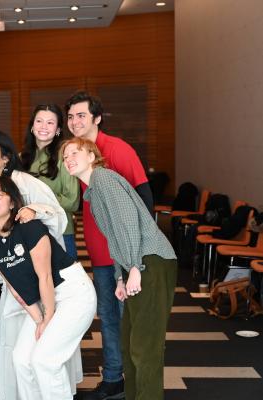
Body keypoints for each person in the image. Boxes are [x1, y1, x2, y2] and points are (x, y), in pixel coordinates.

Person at [62, 137, 177, 400]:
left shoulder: (103, 179)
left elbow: (128, 224)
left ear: (92, 156)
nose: (68, 158)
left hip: (151, 260)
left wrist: (135, 266)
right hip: (136, 263)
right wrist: (119, 278)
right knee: (129, 343)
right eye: (65, 156)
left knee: (144, 345)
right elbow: (114, 237)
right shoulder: (93, 190)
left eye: (74, 152)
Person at [0, 131, 80, 399]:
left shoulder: (23, 182)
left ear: (6, 156)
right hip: (16, 281)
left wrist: (35, 212)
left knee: (43, 349)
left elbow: (56, 217)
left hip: (41, 276)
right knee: (20, 351)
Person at [65, 91, 154, 400]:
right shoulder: (73, 154)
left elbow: (145, 198)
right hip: (100, 256)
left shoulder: (117, 150)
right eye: (71, 116)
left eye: (81, 115)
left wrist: (137, 258)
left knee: (131, 321)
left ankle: (138, 382)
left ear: (97, 118)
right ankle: (114, 378)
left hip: (126, 256)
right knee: (109, 318)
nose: (74, 121)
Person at [0, 176, 96, 400]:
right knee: (21, 359)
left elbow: (45, 278)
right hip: (43, 300)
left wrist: (47, 319)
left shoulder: (30, 228)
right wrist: (38, 319)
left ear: (12, 203)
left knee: (45, 360)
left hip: (72, 292)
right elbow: (15, 287)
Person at [20, 104, 80, 259]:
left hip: (60, 232)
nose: (44, 126)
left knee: (66, 282)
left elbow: (72, 201)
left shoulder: (65, 155)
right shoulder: (21, 158)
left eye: (50, 122)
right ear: (32, 126)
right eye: (39, 121)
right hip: (29, 233)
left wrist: (37, 199)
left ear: (58, 129)